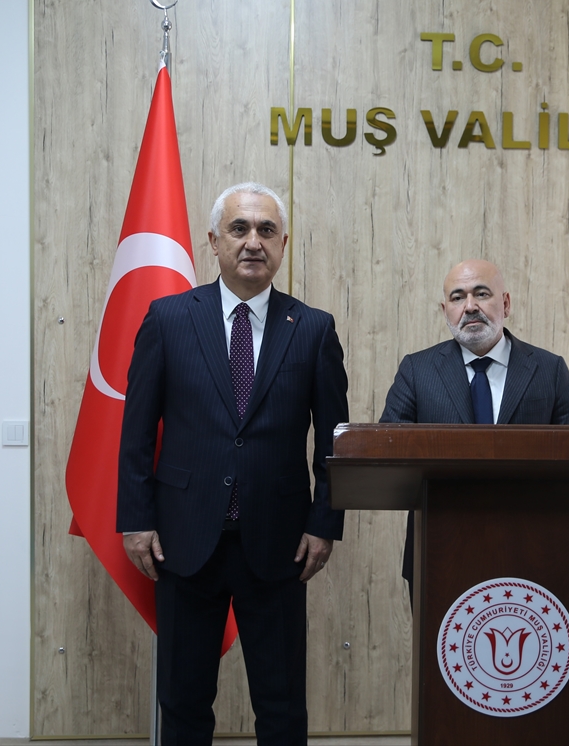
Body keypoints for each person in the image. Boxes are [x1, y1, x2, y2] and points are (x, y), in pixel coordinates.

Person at [117, 182, 348, 745]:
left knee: (282, 702)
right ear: (214, 241)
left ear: (283, 243)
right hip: (183, 540)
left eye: (266, 230)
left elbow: (332, 442)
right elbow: (137, 431)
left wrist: (324, 524)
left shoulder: (313, 328)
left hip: (279, 543)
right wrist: (136, 519)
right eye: (239, 229)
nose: (252, 242)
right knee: (184, 700)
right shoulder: (168, 318)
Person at [378, 259, 569, 600]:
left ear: (505, 303)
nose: (470, 306)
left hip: (534, 554)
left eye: (481, 293)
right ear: (445, 310)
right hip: (439, 553)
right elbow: (388, 453)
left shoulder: (550, 370)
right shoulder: (417, 370)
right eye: (458, 297)